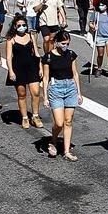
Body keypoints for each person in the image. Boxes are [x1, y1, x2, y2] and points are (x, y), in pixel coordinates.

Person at [40, 29, 82, 160]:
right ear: (56, 42)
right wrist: (45, 96)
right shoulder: (48, 57)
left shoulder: (70, 55)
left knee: (68, 121)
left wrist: (79, 92)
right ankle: (53, 140)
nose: (65, 46)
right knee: (59, 123)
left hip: (70, 88)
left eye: (67, 43)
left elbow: (75, 73)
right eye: (63, 43)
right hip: (56, 88)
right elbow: (45, 78)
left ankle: (67, 151)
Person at [5, 15, 44, 128]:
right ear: (15, 26)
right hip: (18, 69)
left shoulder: (31, 36)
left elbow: (36, 53)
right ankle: (25, 118)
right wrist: (11, 71)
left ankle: (35, 116)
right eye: (19, 25)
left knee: (36, 92)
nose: (22, 27)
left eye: (24, 25)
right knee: (22, 94)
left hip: (32, 67)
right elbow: (8, 57)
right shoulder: (11, 39)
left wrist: (40, 67)